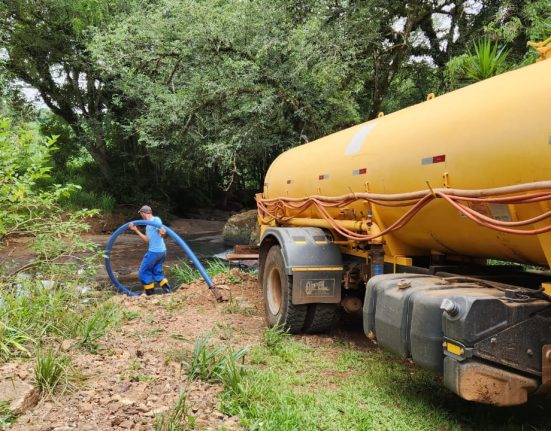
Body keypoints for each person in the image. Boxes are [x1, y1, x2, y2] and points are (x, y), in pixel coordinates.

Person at [129, 205, 172, 295]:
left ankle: (150, 295)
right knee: (157, 272)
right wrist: (136, 230)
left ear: (143, 213)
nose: (141, 216)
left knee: (143, 272)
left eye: (141, 214)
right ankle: (168, 292)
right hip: (162, 252)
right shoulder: (148, 225)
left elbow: (162, 231)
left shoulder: (155, 220)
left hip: (154, 252)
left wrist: (162, 233)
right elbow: (147, 240)